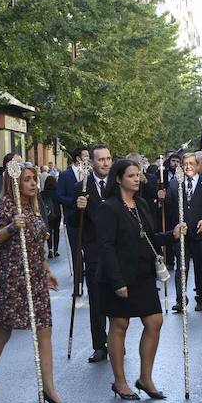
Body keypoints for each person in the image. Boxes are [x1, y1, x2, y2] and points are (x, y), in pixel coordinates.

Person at [0, 162, 67, 403]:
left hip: (34, 275)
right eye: (27, 179)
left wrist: (46, 271)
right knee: (2, 333)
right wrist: (10, 227)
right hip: (10, 276)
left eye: (33, 179)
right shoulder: (6, 204)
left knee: (44, 329)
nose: (32, 183)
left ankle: (48, 387)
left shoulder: (34, 206)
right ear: (15, 182)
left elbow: (37, 244)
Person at [96, 159, 185, 400]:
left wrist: (172, 235)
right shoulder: (109, 207)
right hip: (119, 276)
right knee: (119, 325)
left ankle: (145, 378)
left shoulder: (141, 204)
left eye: (138, 175)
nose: (137, 179)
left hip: (143, 273)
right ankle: (120, 381)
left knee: (155, 321)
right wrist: (117, 282)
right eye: (131, 175)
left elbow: (150, 237)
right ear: (118, 179)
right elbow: (106, 247)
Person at [67, 145, 113, 362]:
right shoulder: (81, 187)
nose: (105, 163)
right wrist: (78, 207)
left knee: (117, 298)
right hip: (94, 249)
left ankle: (116, 341)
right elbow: (73, 222)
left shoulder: (118, 183)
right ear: (92, 163)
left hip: (117, 249)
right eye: (101, 160)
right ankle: (99, 344)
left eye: (108, 159)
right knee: (96, 298)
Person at [166, 152, 202, 312]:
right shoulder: (175, 184)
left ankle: (201, 297)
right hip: (181, 234)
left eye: (191, 164)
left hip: (201, 234)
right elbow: (169, 208)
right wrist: (162, 197)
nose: (188, 167)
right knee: (182, 267)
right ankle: (181, 299)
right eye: (185, 164)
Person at [56, 147, 90, 291]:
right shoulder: (65, 175)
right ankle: (77, 286)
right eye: (86, 156)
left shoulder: (91, 173)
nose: (88, 158)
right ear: (78, 158)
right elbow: (59, 195)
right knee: (76, 252)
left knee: (90, 252)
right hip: (72, 218)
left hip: (89, 219)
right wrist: (73, 202)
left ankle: (92, 284)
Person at [41, 176, 62, 258]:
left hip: (47, 214)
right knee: (56, 231)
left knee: (49, 231)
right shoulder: (57, 192)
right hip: (57, 214)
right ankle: (56, 250)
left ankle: (50, 249)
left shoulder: (43, 193)